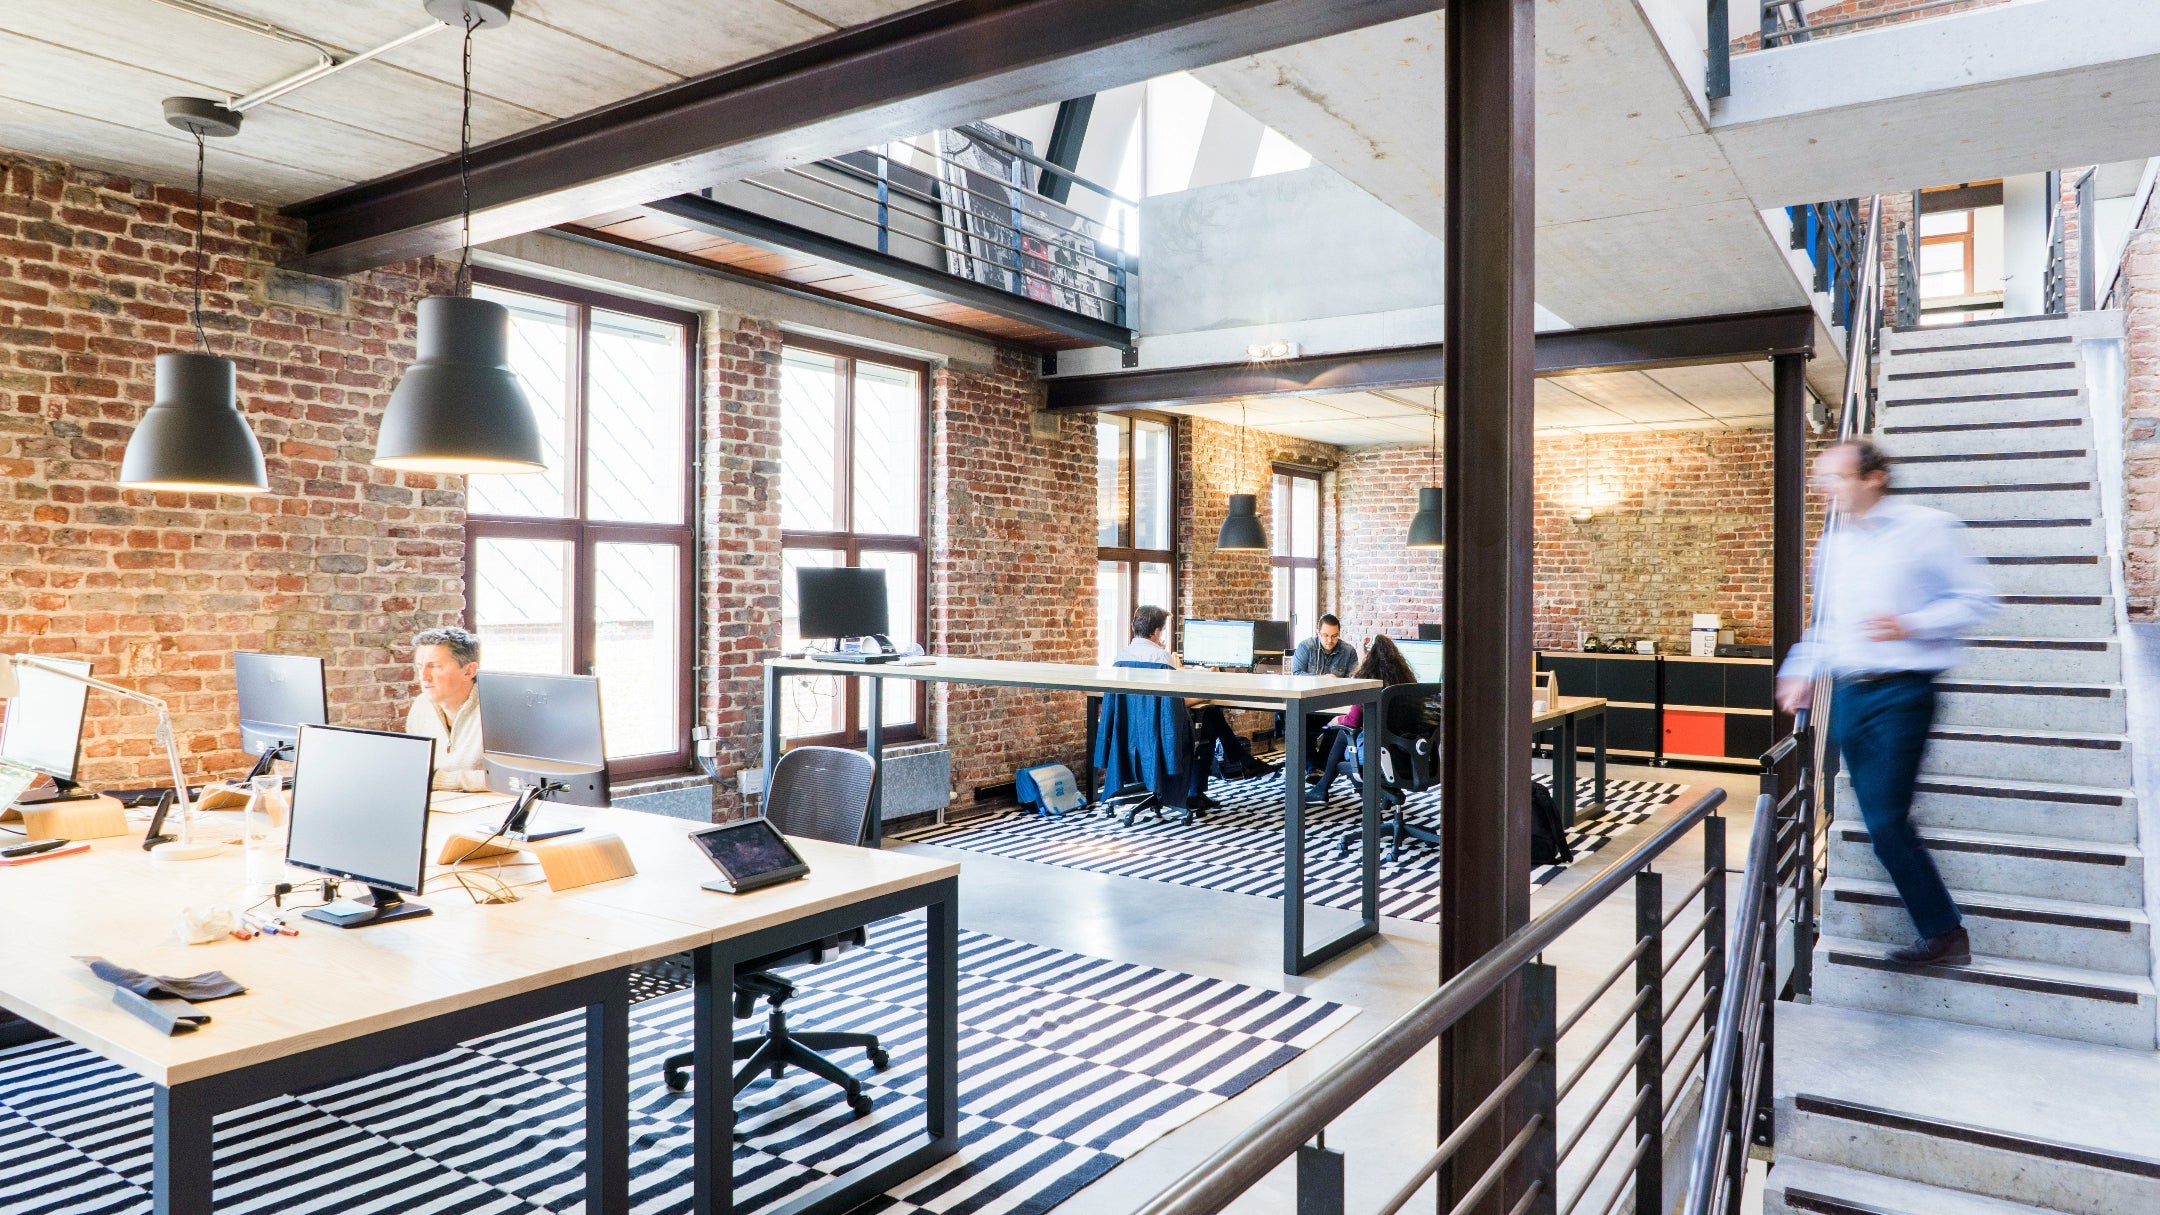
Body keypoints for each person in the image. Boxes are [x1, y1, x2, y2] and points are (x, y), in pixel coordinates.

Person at [1777, 439, 1998, 967]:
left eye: (1836, 478)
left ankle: (1945, 933)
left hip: (1902, 691)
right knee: (1880, 817)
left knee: (1884, 818)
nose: (1826, 490)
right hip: (1849, 693)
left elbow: (1978, 598)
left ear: (1874, 478)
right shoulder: (1835, 546)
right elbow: (1826, 622)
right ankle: (1943, 930)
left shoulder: (1928, 529)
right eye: (1822, 480)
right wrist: (1800, 669)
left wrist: (1911, 623)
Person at [1117, 605, 1231, 810]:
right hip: (1161, 734)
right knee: (1210, 720)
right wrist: (1205, 693)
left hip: (1133, 735)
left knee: (1210, 716)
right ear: (1157, 632)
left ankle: (1236, 762)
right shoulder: (1161, 659)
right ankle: (1195, 791)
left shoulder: (1121, 657)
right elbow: (1176, 703)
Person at [1308, 635, 1441, 797]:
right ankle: (1357, 788)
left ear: (1369, 659)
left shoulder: (1367, 682)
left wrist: (1337, 720)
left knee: (1344, 731)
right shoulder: (1407, 682)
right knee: (1353, 733)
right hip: (1410, 752)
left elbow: (1353, 721)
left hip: (1378, 753)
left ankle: (1322, 787)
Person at [403, 625, 490, 792]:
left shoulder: (497, 711)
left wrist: (442, 779)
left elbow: (515, 780)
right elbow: (414, 771)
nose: (423, 677)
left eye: (434, 666)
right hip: (439, 805)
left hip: (487, 810)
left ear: (469, 671)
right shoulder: (421, 706)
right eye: (420, 666)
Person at [1290, 614, 1358, 677]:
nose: (1330, 640)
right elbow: (1296, 673)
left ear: (1339, 633)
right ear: (1318, 633)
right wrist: (1320, 679)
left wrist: (1338, 682)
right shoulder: (1305, 647)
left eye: (1334, 636)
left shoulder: (1349, 651)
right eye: (1325, 635)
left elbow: (1354, 679)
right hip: (1310, 689)